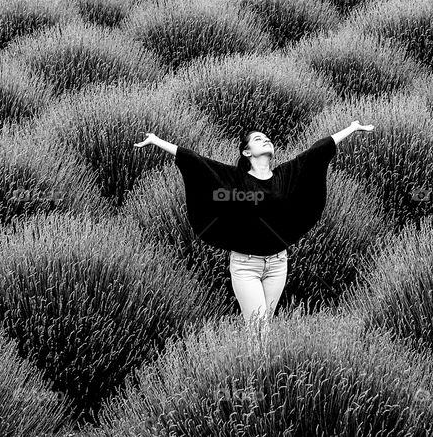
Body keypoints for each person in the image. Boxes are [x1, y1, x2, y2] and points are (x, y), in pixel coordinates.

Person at [133, 120, 375, 335]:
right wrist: (156, 141)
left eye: (267, 138)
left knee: (263, 327)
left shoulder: (284, 176)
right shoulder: (236, 180)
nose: (266, 140)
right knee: (258, 327)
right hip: (246, 266)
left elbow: (317, 152)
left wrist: (352, 129)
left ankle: (260, 377)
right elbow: (196, 162)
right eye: (259, 139)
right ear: (247, 151)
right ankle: (254, 377)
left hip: (278, 264)